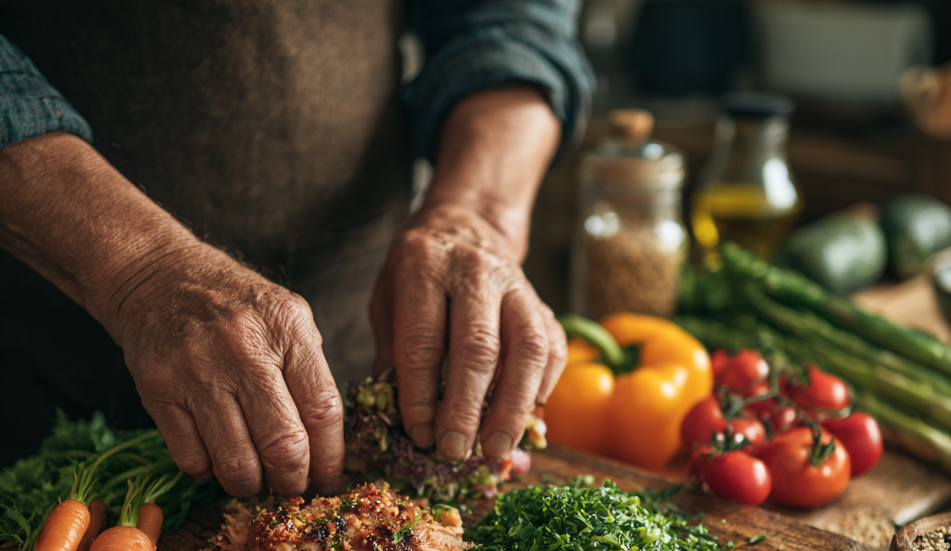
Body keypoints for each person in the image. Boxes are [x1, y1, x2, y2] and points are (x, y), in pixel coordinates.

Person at [0, 2, 592, 495]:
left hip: (351, 310)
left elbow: (511, 17)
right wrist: (139, 270)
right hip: (37, 342)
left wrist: (477, 215)